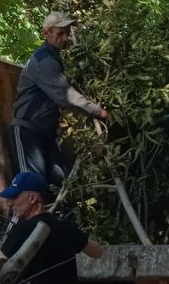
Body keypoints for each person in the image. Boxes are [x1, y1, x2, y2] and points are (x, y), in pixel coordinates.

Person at [11, 11, 110, 186]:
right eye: (60, 33)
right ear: (46, 33)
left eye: (67, 33)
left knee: (57, 180)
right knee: (30, 187)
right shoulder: (43, 59)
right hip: (28, 130)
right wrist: (99, 112)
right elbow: (66, 96)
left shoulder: (53, 58)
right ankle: (19, 215)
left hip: (45, 133)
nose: (65, 38)